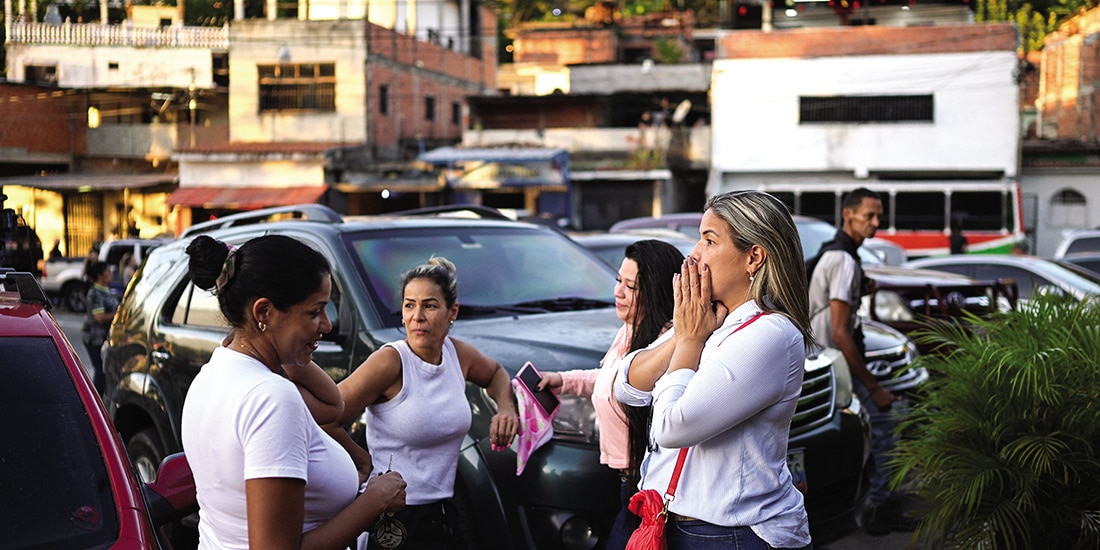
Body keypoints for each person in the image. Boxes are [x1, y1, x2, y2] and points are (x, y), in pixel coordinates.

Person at [616, 190, 816, 549]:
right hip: (680, 523)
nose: (695, 253)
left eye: (710, 240)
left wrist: (690, 340)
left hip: (731, 534)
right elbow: (626, 385)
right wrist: (685, 335)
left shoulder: (771, 334)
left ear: (754, 257)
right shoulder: (711, 321)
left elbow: (671, 427)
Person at [181, 234, 406, 550]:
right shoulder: (271, 398)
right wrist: (375, 500)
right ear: (264, 312)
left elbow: (332, 407)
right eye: (315, 312)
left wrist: (287, 352)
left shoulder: (213, 375)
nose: (326, 325)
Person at [330, 256, 519, 550]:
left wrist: (506, 409)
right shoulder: (390, 361)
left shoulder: (459, 354)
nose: (417, 316)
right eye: (409, 305)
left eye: (429, 305)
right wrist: (362, 460)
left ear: (451, 312)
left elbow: (495, 372)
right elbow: (326, 416)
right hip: (392, 518)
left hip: (445, 512)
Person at [535, 239, 684, 550]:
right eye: (618, 281)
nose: (618, 292)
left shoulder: (664, 346)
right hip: (625, 481)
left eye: (631, 287)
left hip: (647, 486)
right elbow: (610, 378)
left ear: (656, 292)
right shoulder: (630, 329)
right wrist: (562, 380)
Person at [807, 187, 902, 535]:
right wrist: (873, 387)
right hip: (836, 366)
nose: (876, 223)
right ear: (848, 215)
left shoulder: (834, 253)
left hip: (824, 364)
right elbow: (841, 332)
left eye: (879, 216)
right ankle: (879, 509)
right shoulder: (844, 259)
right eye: (869, 216)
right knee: (881, 430)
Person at [81, 261, 116, 395]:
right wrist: (118, 314)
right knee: (100, 370)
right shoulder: (95, 293)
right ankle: (96, 400)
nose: (110, 274)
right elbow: (99, 317)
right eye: (107, 271)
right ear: (100, 275)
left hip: (103, 337)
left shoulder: (106, 289)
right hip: (94, 337)